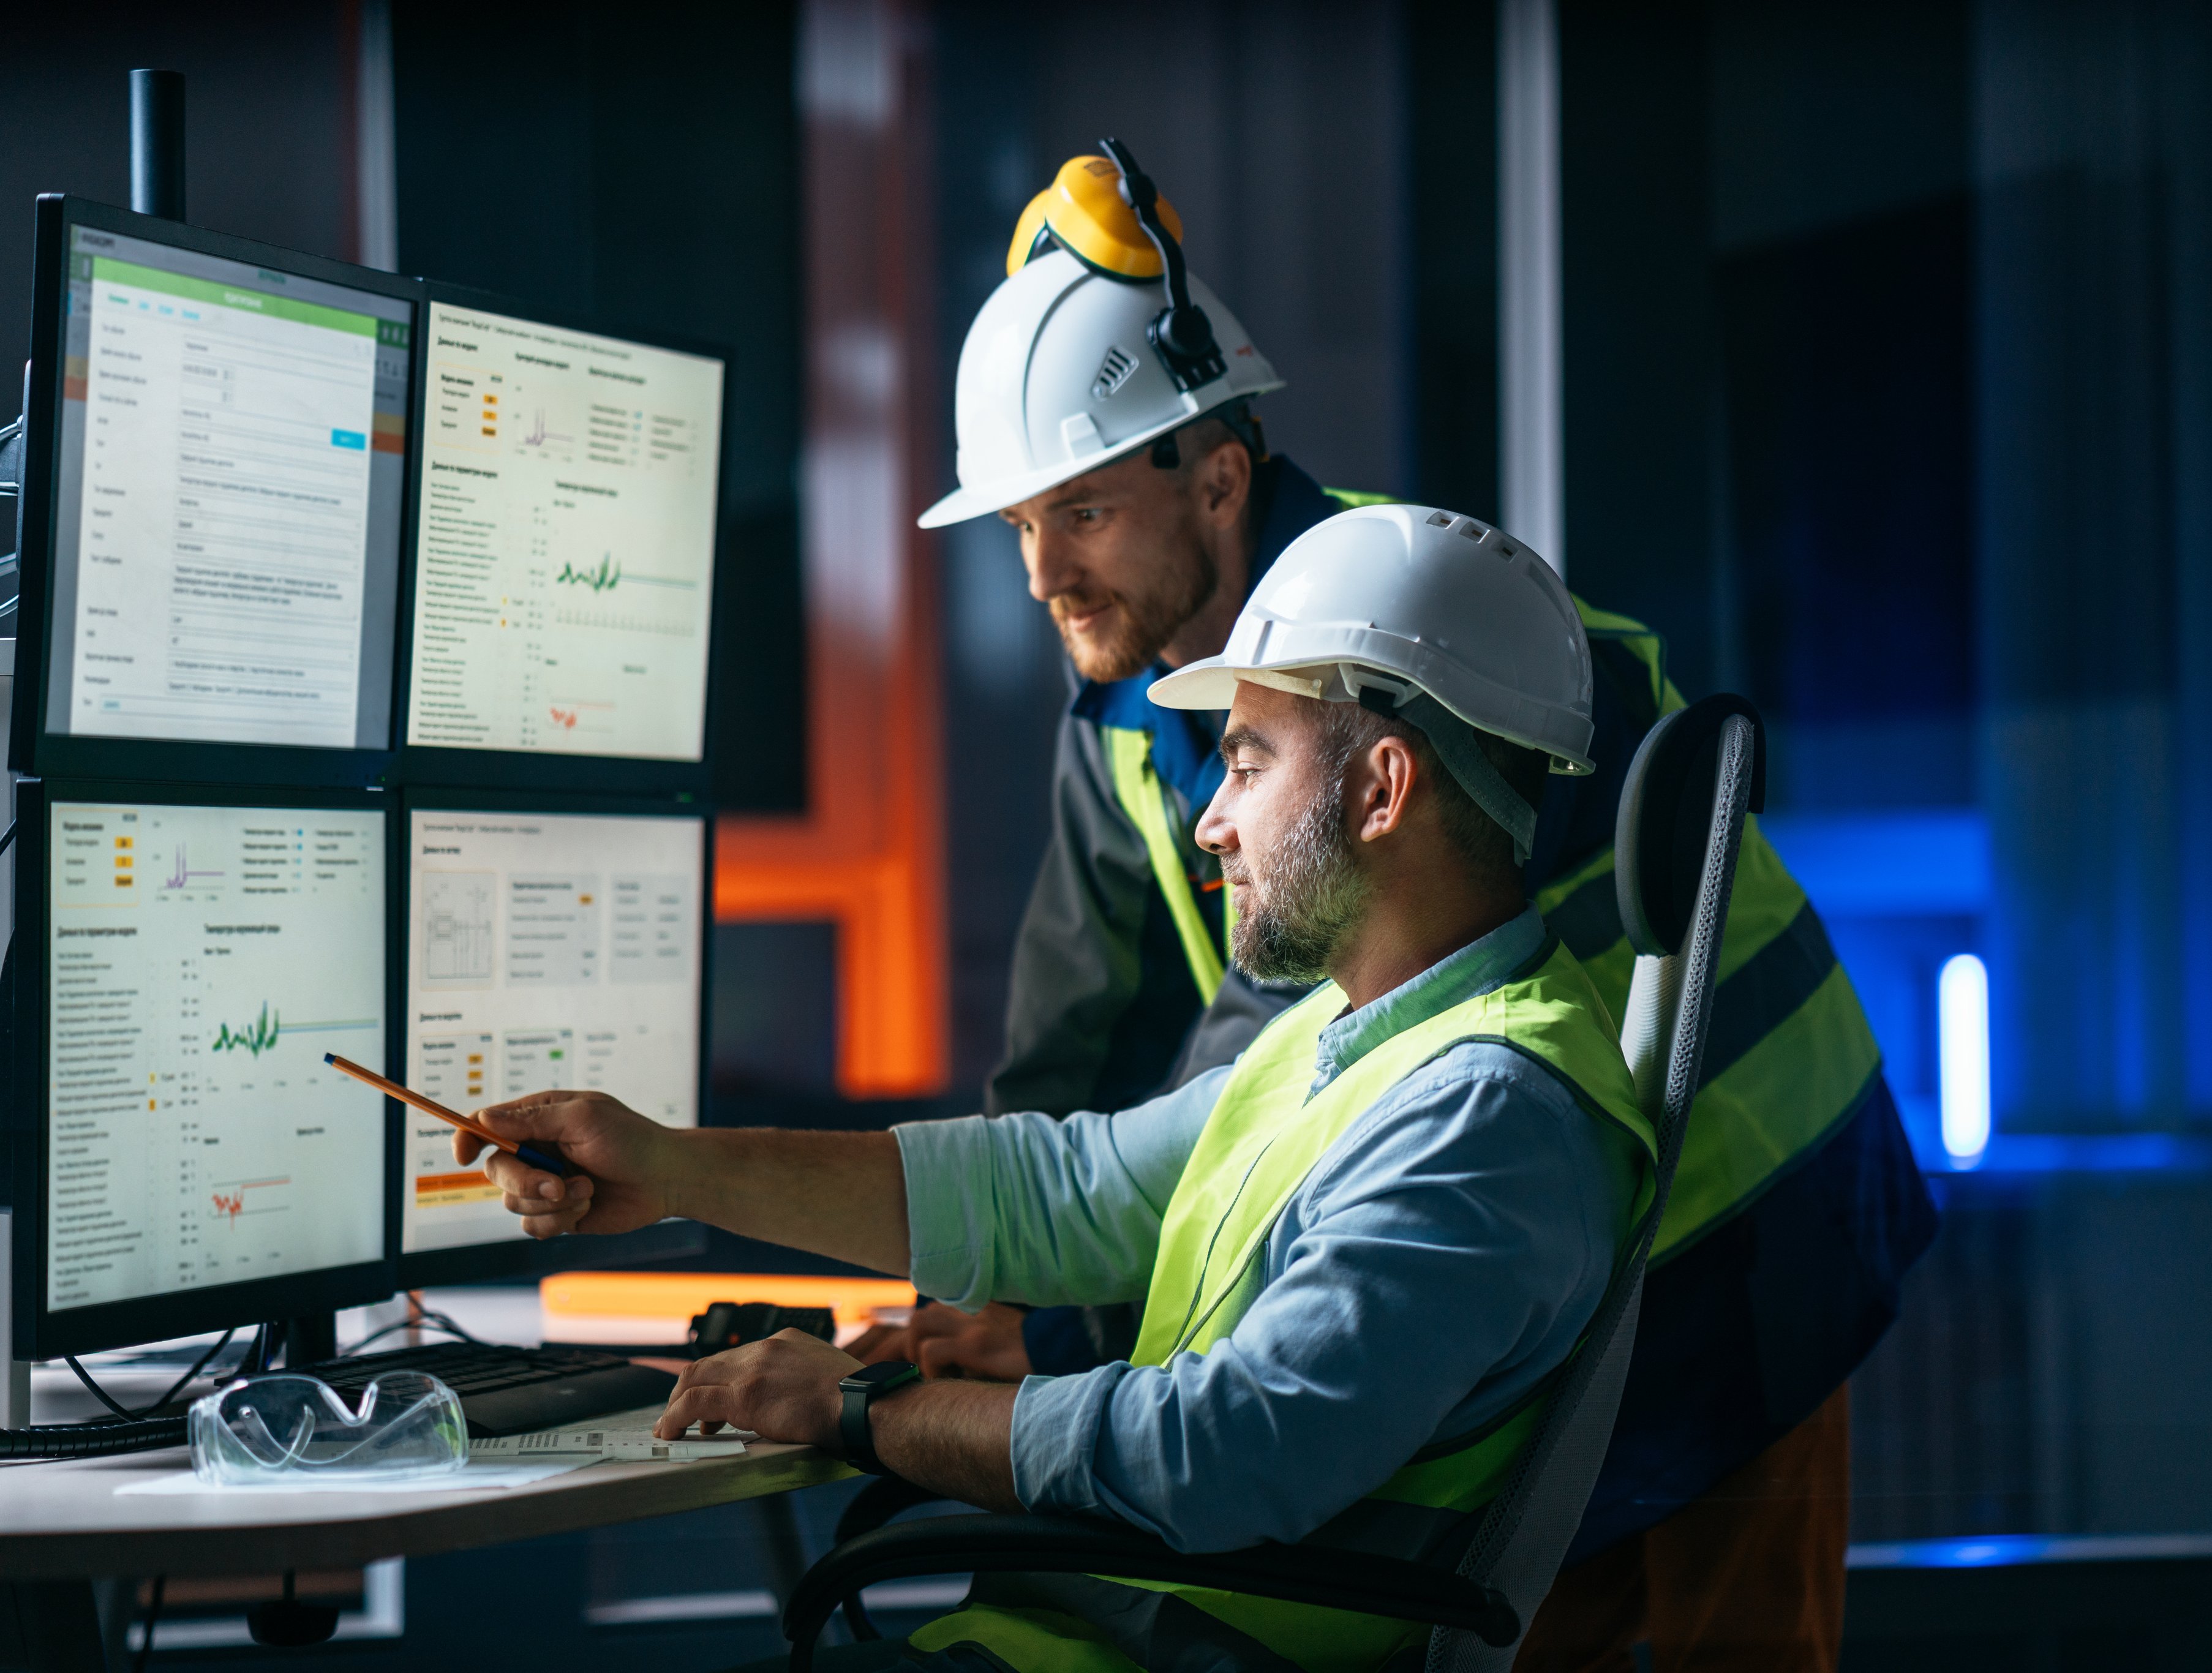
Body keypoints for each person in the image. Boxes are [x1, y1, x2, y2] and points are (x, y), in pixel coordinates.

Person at [868, 143, 1940, 1670]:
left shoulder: (1414, 628)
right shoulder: (1119, 715)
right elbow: (1071, 1043)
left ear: (1216, 477)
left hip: (1749, 1204)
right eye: (1020, 525)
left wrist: (1051, 1346)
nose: (1041, 572)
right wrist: (960, 1303)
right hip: (1516, 1268)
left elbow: (1313, 1027)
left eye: (1085, 513)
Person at [463, 506, 1659, 1672]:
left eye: (1245, 764)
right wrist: (671, 1168)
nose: (1210, 823)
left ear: (1379, 790)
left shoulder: (1484, 1117)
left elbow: (1220, 1451)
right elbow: (1063, 1190)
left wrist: (861, 1410)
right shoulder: (1353, 1040)